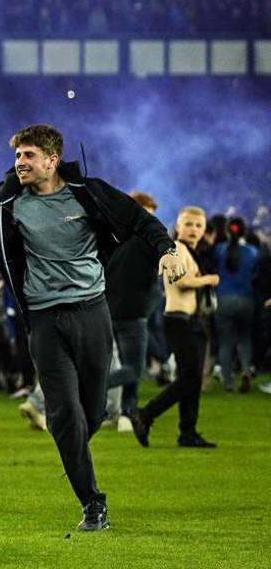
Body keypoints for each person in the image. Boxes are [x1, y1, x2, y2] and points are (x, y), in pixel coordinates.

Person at [0, 123, 184, 532]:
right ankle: (92, 503)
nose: (20, 163)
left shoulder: (89, 193)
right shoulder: (6, 207)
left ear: (52, 160)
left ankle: (74, 450)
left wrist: (166, 251)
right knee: (64, 415)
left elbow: (140, 221)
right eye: (17, 156)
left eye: (28, 156)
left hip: (92, 312)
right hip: (43, 320)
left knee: (92, 412)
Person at [132, 206, 220, 448]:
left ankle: (188, 432)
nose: (193, 229)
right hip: (179, 320)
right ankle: (146, 414)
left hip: (191, 320)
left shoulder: (190, 251)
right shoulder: (177, 248)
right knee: (191, 378)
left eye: (198, 225)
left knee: (190, 379)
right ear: (178, 226)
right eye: (188, 224)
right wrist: (209, 279)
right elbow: (180, 281)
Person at [103, 191, 162, 428]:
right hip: (133, 312)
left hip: (109, 309)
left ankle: (127, 413)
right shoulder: (146, 240)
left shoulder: (113, 236)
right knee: (134, 369)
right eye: (148, 213)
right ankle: (91, 386)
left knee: (125, 362)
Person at [212, 217, 260, 392]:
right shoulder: (253, 252)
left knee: (225, 342)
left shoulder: (219, 250)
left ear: (227, 231)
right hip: (247, 299)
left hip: (223, 299)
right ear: (244, 231)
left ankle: (228, 382)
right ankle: (246, 369)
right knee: (244, 339)